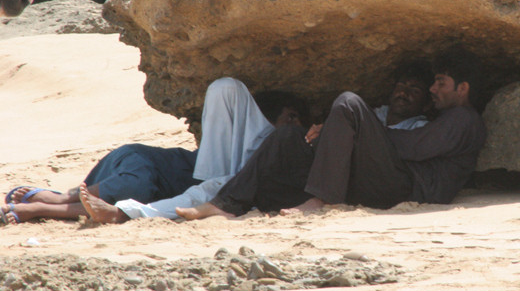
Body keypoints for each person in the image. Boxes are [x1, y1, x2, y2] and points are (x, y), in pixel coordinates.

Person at [78, 60, 436, 223]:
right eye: (401, 86)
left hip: (313, 180)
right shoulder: (373, 113)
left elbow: (378, 160)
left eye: (414, 90)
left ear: (427, 101)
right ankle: (213, 182)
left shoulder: (416, 128)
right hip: (292, 158)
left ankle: (128, 212)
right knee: (225, 89)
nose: (404, 93)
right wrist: (322, 133)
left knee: (221, 188)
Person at [170, 46, 486, 220]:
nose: (433, 89)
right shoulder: (451, 118)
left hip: (408, 190)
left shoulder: (463, 118)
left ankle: (320, 200)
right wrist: (339, 135)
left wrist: (350, 131)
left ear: (463, 88)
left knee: (348, 103)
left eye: (439, 83)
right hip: (375, 185)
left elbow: (415, 148)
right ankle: (225, 204)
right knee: (287, 137)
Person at [0, 78, 307, 225]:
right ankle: (59, 198)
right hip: (139, 163)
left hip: (155, 182)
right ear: (261, 117)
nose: (294, 127)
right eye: (289, 118)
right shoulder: (237, 145)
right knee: (226, 89)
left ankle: (47, 205)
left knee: (164, 192)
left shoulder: (241, 166)